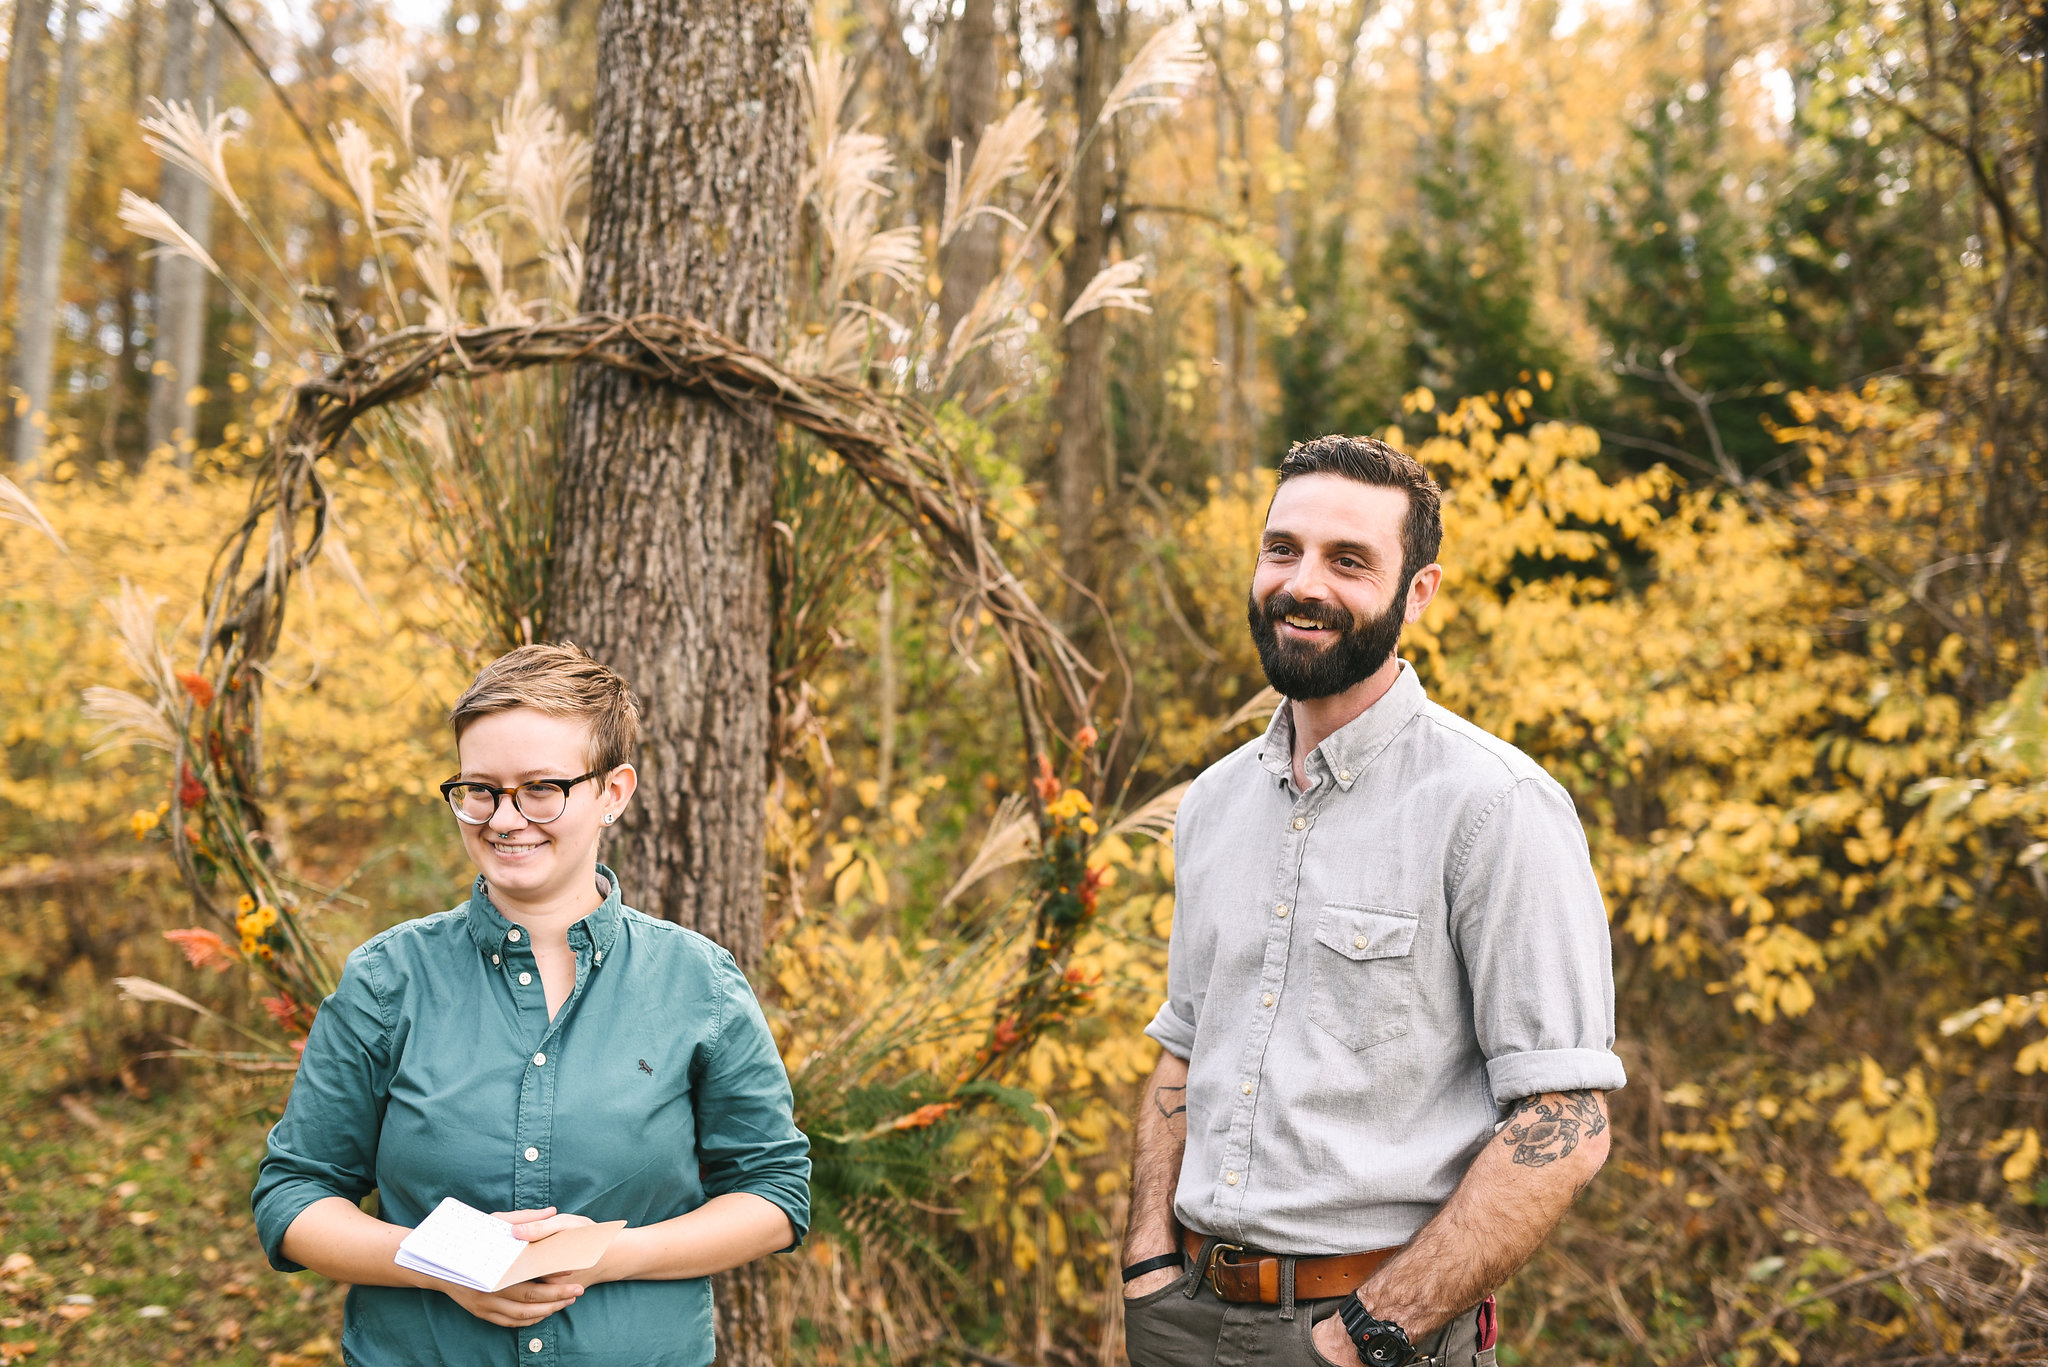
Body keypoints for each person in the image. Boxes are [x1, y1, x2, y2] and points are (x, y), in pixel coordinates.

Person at [1120, 436, 1625, 1367]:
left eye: (1349, 561)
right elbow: (1184, 1043)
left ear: (1417, 592)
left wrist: (1371, 1331)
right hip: (1182, 1318)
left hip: (1372, 1333)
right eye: (1284, 549)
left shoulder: (1497, 807)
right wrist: (1147, 1260)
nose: (1303, 583)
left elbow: (1568, 1116)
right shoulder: (1212, 804)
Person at [252, 643, 810, 1367]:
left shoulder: (698, 982)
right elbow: (294, 1193)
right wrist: (438, 1261)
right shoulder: (388, 981)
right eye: (479, 789)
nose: (504, 818)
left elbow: (774, 1193)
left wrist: (608, 1255)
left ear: (614, 791)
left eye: (541, 787)